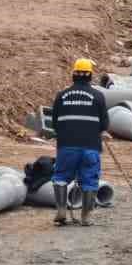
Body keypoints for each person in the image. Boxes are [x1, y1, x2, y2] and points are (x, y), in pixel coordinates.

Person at [49, 58, 109, 226]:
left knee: (60, 177)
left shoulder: (61, 96)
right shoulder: (98, 96)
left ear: (73, 75)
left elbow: (54, 124)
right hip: (90, 147)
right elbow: (104, 124)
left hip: (67, 146)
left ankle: (61, 210)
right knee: (90, 180)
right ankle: (86, 217)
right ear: (90, 76)